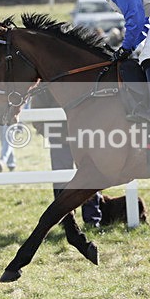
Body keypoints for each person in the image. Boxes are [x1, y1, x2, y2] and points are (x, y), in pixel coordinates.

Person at [30, 88, 103, 226]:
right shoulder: (47, 85)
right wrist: (52, 135)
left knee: (91, 177)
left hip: (85, 138)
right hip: (60, 139)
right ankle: (66, 220)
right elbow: (37, 111)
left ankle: (92, 219)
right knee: (61, 180)